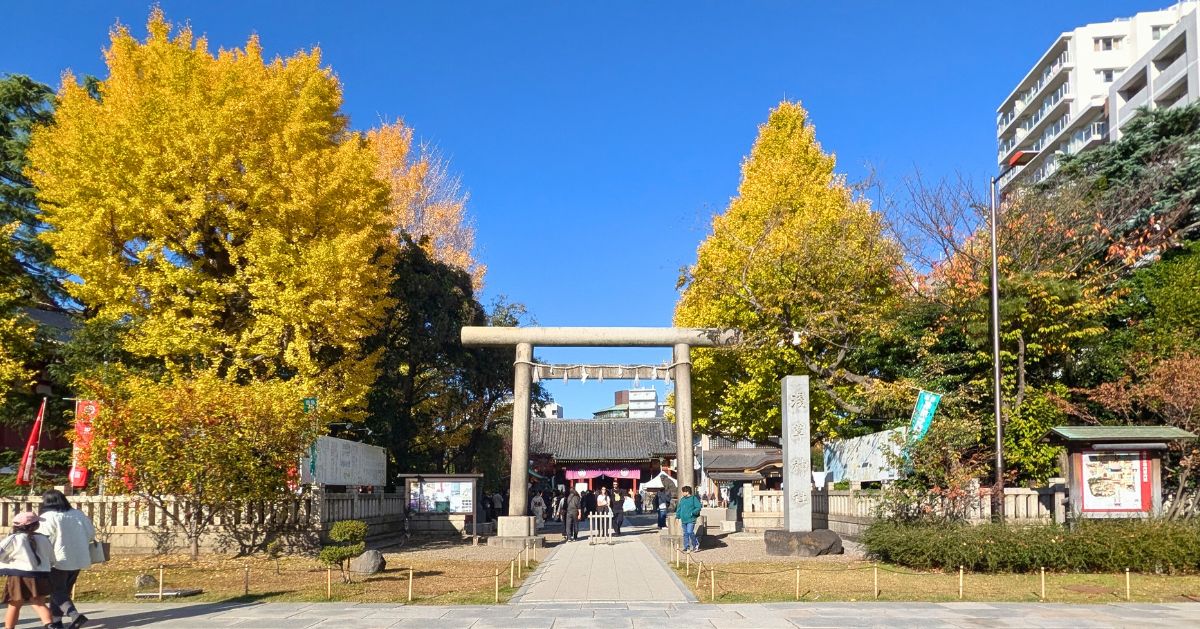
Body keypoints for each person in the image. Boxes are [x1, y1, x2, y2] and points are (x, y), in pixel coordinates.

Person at [38, 491, 93, 629]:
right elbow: (91, 534)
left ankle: (74, 615)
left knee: (56, 591)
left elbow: (43, 539)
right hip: (79, 557)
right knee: (63, 592)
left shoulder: (48, 517)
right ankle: (56, 622)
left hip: (57, 559)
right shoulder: (78, 514)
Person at [0, 512, 56, 629]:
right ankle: (50, 625)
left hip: (18, 575)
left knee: (14, 604)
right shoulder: (44, 539)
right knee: (39, 603)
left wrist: (7, 561)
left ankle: (9, 628)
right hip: (41, 575)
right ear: (36, 525)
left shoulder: (13, 538)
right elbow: (51, 558)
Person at [675, 486, 702, 553]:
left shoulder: (693, 498)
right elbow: (679, 508)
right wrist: (677, 517)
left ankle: (695, 544)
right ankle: (686, 546)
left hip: (691, 519)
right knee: (685, 533)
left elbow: (698, 507)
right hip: (684, 519)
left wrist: (692, 513)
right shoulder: (682, 499)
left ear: (687, 492)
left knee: (690, 532)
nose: (683, 493)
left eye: (683, 492)